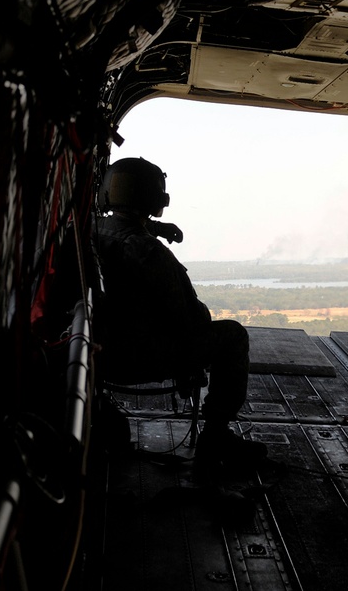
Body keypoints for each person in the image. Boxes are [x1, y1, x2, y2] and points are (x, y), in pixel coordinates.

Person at [93, 156, 265, 478]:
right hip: (140, 359)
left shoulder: (86, 231)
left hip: (97, 355)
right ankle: (215, 440)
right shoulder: (151, 254)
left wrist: (155, 229)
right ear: (157, 201)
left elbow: (120, 225)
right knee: (232, 336)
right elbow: (192, 321)